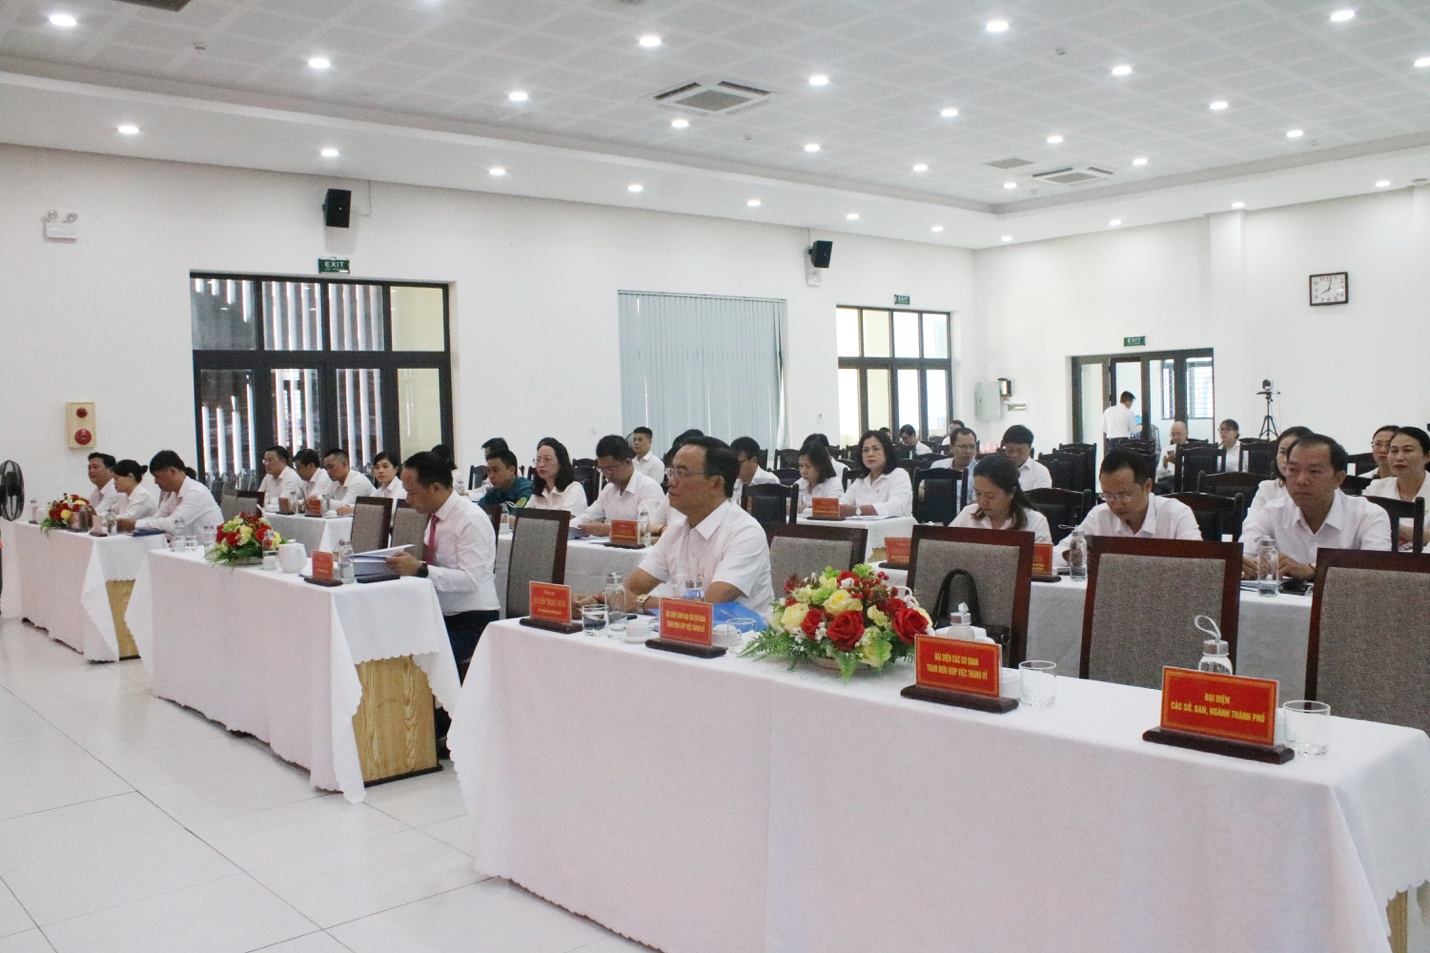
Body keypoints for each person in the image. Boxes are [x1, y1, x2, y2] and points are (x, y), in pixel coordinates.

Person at [384, 451, 500, 756]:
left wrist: (421, 569)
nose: (407, 498)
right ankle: (407, 727)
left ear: (435, 487)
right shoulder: (435, 517)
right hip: (439, 611)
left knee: (419, 651)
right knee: (390, 641)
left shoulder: (470, 519)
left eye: (412, 491)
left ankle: (438, 726)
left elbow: (471, 580)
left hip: (472, 617)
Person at [586, 436, 772, 617]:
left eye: (682, 474)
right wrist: (594, 603)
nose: (671, 481)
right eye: (671, 472)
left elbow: (709, 606)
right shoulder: (676, 530)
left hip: (743, 634)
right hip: (683, 631)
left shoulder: (745, 533)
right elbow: (631, 588)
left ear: (716, 484)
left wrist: (642, 603)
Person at [1241, 434, 1391, 580]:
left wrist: (1314, 571)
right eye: (1293, 470)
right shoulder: (1271, 512)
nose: (1301, 480)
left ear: (1338, 479)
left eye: (1314, 471)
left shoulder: (1369, 516)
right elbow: (1244, 557)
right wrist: (1247, 567)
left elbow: (1376, 574)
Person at [1058, 449, 1201, 555]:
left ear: (1148, 486)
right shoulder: (1100, 515)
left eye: (1124, 495)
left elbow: (1199, 563)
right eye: (1108, 495)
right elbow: (1059, 551)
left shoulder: (1177, 514)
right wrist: (1073, 556)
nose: (1116, 505)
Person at [574, 435, 667, 536]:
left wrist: (609, 529)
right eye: (602, 470)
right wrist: (567, 527)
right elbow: (586, 517)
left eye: (610, 469)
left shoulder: (649, 488)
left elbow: (647, 527)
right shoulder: (608, 489)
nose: (606, 475)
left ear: (627, 462)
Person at [950, 454, 1052, 543]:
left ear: (1011, 492)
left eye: (990, 496)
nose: (982, 502)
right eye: (978, 493)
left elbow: (1041, 559)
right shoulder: (968, 514)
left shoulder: (1035, 523)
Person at [118, 450, 223, 535]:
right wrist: (133, 524)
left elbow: (174, 524)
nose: (155, 482)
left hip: (207, 549)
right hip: (186, 547)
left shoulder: (196, 492)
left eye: (157, 476)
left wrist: (134, 524)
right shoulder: (173, 494)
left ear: (171, 471)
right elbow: (157, 518)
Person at [1366, 426, 1430, 547]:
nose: (1399, 458)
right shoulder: (1376, 488)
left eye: (1407, 450)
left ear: (1427, 456)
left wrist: (1400, 530)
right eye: (1394, 451)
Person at [840, 430, 913, 517]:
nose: (870, 454)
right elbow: (842, 503)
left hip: (895, 525)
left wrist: (857, 510)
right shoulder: (861, 480)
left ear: (887, 452)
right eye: (865, 450)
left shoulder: (899, 475)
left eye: (876, 449)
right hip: (863, 525)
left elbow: (896, 507)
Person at [1247, 426, 1314, 518]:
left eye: (1293, 453)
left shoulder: (1320, 489)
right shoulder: (1267, 488)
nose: (1286, 460)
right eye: (1282, 452)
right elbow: (1252, 524)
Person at [526, 437, 588, 515]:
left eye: (547, 459)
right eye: (538, 460)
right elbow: (522, 517)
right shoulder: (540, 491)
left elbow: (567, 520)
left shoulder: (573, 489)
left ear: (560, 463)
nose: (541, 464)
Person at [930, 426, 978, 509]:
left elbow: (976, 505)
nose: (968, 451)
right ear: (951, 448)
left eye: (972, 446)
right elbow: (921, 490)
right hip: (934, 512)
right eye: (963, 447)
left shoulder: (981, 471)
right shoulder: (938, 466)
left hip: (965, 514)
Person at [324, 448, 377, 515]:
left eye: (331, 467)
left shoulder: (358, 480)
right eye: (326, 468)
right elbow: (323, 498)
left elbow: (344, 507)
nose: (328, 472)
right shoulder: (334, 481)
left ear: (344, 464)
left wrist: (323, 502)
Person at [729, 436, 779, 507]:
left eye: (739, 463)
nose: (735, 467)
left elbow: (774, 509)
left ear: (754, 460)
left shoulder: (770, 480)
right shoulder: (733, 482)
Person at [1000, 425, 1052, 491]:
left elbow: (1039, 497)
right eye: (1010, 451)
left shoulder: (1040, 472)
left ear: (1029, 448)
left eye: (1020, 451)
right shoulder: (998, 469)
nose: (1014, 455)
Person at [795, 442, 843, 511]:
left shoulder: (834, 483)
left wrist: (804, 508)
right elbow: (787, 500)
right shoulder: (801, 482)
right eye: (801, 466)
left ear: (820, 466)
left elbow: (830, 508)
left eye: (808, 466)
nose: (803, 471)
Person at [1154, 419, 1190, 491]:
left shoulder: (1192, 449)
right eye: (1173, 435)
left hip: (1184, 481)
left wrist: (1178, 463)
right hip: (1167, 481)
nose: (1175, 437)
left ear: (1186, 433)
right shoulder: (1166, 450)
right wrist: (1165, 464)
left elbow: (1193, 472)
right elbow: (1158, 474)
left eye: (1179, 434)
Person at [86, 452, 119, 516]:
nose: (91, 471)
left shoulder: (115, 490)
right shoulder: (98, 489)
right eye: (89, 468)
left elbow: (95, 515)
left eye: (95, 467)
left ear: (110, 470)